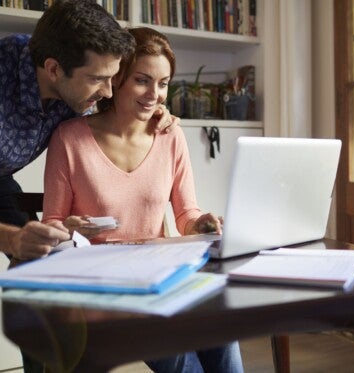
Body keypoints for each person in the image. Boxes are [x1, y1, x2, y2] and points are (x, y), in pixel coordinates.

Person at [41, 26, 243, 373]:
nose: (155, 95)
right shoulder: (69, 139)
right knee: (179, 350)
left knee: (220, 319)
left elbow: (186, 216)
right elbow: (51, 224)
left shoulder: (171, 135)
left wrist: (202, 224)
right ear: (116, 78)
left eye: (163, 83)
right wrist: (67, 230)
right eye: (142, 80)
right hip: (102, 284)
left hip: (161, 272)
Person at [0, 0, 177, 261]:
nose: (107, 91)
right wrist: (11, 238)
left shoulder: (73, 81)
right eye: (97, 79)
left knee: (36, 254)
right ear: (53, 69)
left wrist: (150, 110)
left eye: (112, 78)